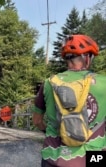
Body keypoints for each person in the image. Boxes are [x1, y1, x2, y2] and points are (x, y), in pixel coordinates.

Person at [32, 34, 106, 167]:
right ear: (87, 58)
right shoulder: (104, 83)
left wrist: (50, 133)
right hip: (94, 157)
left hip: (54, 156)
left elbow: (37, 121)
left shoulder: (49, 83)